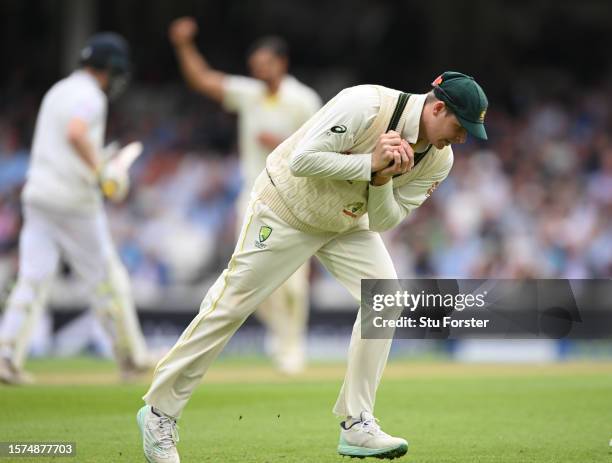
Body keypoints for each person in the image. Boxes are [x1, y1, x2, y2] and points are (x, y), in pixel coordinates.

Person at [137, 71, 488, 462]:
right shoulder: (367, 104)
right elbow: (303, 160)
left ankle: (357, 424)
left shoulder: (440, 159)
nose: (461, 138)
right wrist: (369, 162)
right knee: (228, 307)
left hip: (345, 223)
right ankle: (159, 414)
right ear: (438, 107)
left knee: (385, 297)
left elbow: (386, 220)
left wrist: (383, 177)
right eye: (459, 127)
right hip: (286, 209)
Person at [168, 17, 321, 374]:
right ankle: (282, 336)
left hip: (298, 199)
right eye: (255, 66)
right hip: (255, 198)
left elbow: (324, 145)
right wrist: (183, 45)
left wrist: (282, 144)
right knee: (252, 276)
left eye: (265, 64)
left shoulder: (303, 100)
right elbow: (202, 80)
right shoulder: (249, 93)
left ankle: (291, 346)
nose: (259, 71)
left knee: (294, 285)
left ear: (282, 62)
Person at [0, 33, 151, 384]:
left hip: (38, 195)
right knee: (107, 279)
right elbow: (75, 132)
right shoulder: (91, 97)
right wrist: (103, 170)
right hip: (73, 200)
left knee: (33, 278)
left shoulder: (59, 90)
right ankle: (131, 358)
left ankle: (6, 356)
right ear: (111, 69)